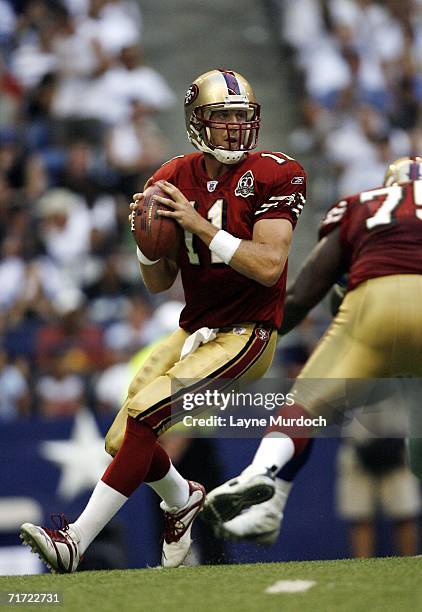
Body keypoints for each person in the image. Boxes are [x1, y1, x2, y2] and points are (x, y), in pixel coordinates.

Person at [19, 68, 307, 572]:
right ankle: (181, 496)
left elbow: (268, 266)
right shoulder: (171, 177)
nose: (235, 129)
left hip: (247, 333)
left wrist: (195, 223)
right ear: (198, 122)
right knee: (122, 437)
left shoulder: (277, 172)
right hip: (192, 329)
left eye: (242, 118)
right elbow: (157, 282)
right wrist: (146, 243)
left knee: (146, 416)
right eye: (222, 118)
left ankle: (75, 540)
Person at [203, 155, 422, 543]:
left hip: (374, 306)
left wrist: (249, 338)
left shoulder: (362, 203)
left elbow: (303, 296)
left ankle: (262, 474)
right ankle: (268, 507)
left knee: (303, 406)